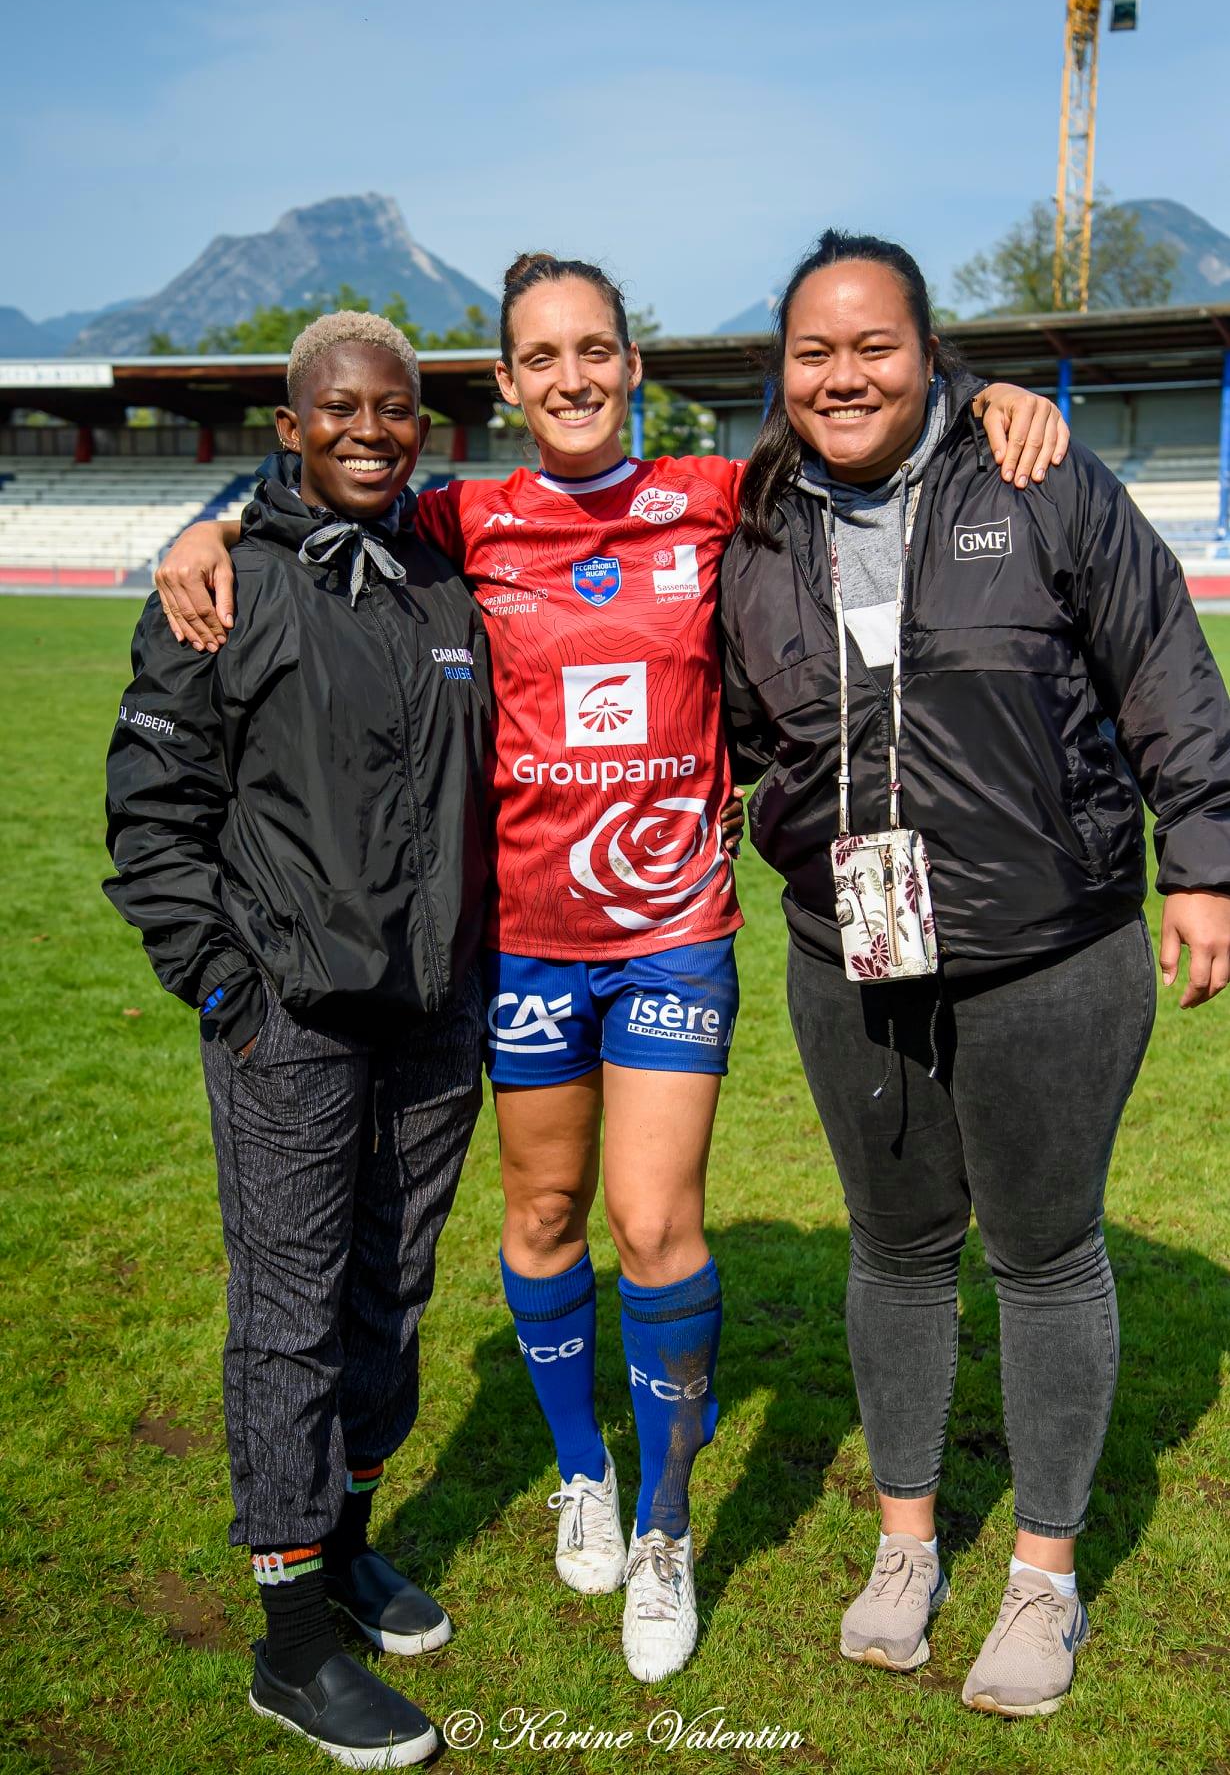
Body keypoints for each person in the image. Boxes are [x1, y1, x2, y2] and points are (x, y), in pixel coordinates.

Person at [154, 256, 1068, 1683]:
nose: (571, 376)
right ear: (507, 386)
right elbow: (313, 503)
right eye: (541, 356)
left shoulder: (715, 496)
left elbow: (867, 425)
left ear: (633, 367)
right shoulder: (459, 518)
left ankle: (660, 1523)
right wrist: (199, 536)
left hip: (667, 933)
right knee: (537, 1214)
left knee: (652, 1226)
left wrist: (987, 395)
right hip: (516, 944)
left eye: (596, 350)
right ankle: (579, 1466)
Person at [721, 229, 1230, 1717]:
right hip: (848, 953)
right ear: (782, 371)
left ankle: (1043, 1575)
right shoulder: (749, 518)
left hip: (1048, 948)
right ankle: (903, 1546)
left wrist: (1201, 864)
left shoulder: (1037, 473)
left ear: (929, 354)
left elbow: (1161, 665)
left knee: (1043, 1251)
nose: (843, 373)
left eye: (874, 344)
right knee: (890, 1249)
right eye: (813, 350)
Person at [105, 312, 491, 1766]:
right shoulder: (224, 587)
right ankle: (286, 1642)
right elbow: (153, 814)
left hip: (433, 1014)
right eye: (340, 409)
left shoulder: (443, 579)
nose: (370, 429)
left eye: (394, 408)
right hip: (288, 1022)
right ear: (291, 425)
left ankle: (343, 1544)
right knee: (288, 1313)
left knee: (388, 1292)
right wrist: (224, 989)